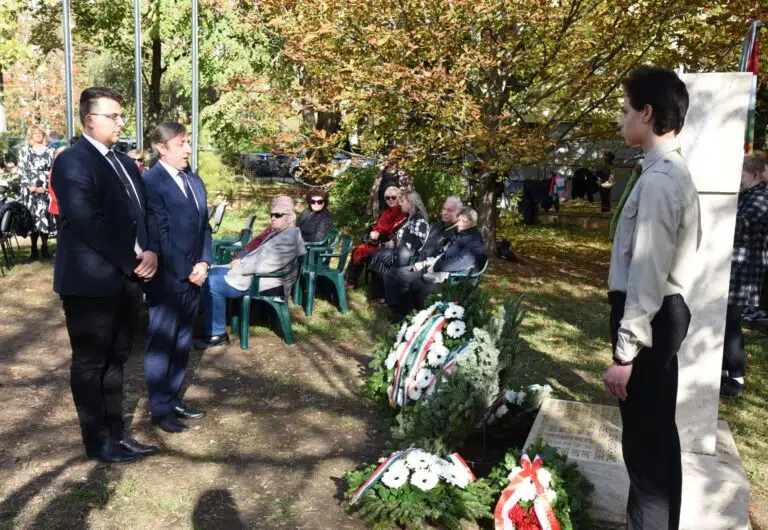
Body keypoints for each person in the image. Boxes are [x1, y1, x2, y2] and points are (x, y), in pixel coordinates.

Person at [602, 66, 699, 530]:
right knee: (657, 442)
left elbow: (646, 272)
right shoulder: (664, 172)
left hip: (648, 318)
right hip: (659, 315)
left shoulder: (660, 181)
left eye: (625, 110)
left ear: (647, 113)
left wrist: (626, 353)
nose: (620, 119)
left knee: (645, 451)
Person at [52, 86, 160, 464]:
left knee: (117, 359)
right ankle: (97, 443)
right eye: (113, 116)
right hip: (89, 283)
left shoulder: (125, 164)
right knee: (91, 363)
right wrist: (132, 260)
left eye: (121, 115)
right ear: (89, 120)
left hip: (127, 279)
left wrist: (150, 250)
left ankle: (117, 435)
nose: (121, 122)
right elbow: (88, 223)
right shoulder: (72, 162)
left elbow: (142, 214)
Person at [143, 122, 212, 433]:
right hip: (167, 280)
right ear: (162, 148)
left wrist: (204, 262)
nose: (188, 149)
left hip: (195, 277)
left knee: (183, 342)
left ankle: (173, 399)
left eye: (188, 142)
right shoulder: (151, 182)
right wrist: (187, 271)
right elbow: (159, 235)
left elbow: (205, 227)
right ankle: (160, 410)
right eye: (181, 143)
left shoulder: (194, 180)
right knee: (162, 344)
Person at [195, 196, 306, 350]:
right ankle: (202, 322)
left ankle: (217, 334)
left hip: (268, 284)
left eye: (278, 215)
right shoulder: (282, 233)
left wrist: (238, 266)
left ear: (289, 218)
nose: (273, 218)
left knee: (212, 283)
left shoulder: (289, 238)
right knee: (212, 272)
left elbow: (267, 266)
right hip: (258, 277)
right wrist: (236, 263)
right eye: (272, 215)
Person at [721, 155, 768, 397]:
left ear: (755, 175)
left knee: (730, 324)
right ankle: (722, 370)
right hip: (734, 268)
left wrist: (718, 212)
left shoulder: (761, 198)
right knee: (723, 322)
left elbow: (740, 226)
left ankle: (736, 378)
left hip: (743, 272)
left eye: (741, 175)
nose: (737, 180)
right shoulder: (748, 195)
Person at [391, 207, 486, 322]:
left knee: (424, 289)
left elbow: (462, 261)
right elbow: (444, 254)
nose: (459, 224)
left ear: (472, 223)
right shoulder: (459, 234)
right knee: (414, 284)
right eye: (459, 220)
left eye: (464, 221)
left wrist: (437, 266)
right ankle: (406, 318)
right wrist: (429, 263)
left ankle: (424, 323)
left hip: (458, 279)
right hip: (444, 273)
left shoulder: (474, 240)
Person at [384, 196, 462, 311]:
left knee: (401, 278)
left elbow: (446, 258)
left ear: (458, 213)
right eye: (444, 209)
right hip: (418, 262)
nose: (445, 212)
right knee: (391, 274)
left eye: (449, 210)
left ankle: (402, 311)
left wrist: (424, 264)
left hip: (431, 269)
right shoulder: (436, 226)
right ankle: (395, 307)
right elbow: (423, 244)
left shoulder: (457, 234)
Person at [369, 190, 429, 297]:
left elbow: (414, 244)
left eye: (402, 201)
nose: (400, 203)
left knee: (380, 255)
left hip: (409, 256)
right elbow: (402, 236)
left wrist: (395, 243)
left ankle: (381, 295)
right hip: (399, 251)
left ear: (410, 203)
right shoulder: (410, 218)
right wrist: (392, 242)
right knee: (378, 254)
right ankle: (380, 294)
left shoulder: (419, 220)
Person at [346, 186, 406, 288]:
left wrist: (378, 235)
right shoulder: (386, 212)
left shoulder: (402, 214)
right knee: (357, 249)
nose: (390, 200)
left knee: (360, 250)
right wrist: (374, 233)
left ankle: (351, 281)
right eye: (387, 198)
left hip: (388, 245)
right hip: (377, 242)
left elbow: (393, 233)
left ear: (399, 198)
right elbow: (378, 227)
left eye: (393, 197)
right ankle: (350, 280)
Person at [18, 125, 56, 259]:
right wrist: (30, 186)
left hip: (45, 190)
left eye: (40, 132)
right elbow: (21, 171)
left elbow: (54, 171)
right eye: (35, 133)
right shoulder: (24, 151)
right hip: (30, 192)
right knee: (32, 219)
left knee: (44, 218)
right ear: (31, 135)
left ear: (44, 135)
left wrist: (46, 188)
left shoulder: (51, 151)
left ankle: (45, 248)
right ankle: (33, 248)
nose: (38, 135)